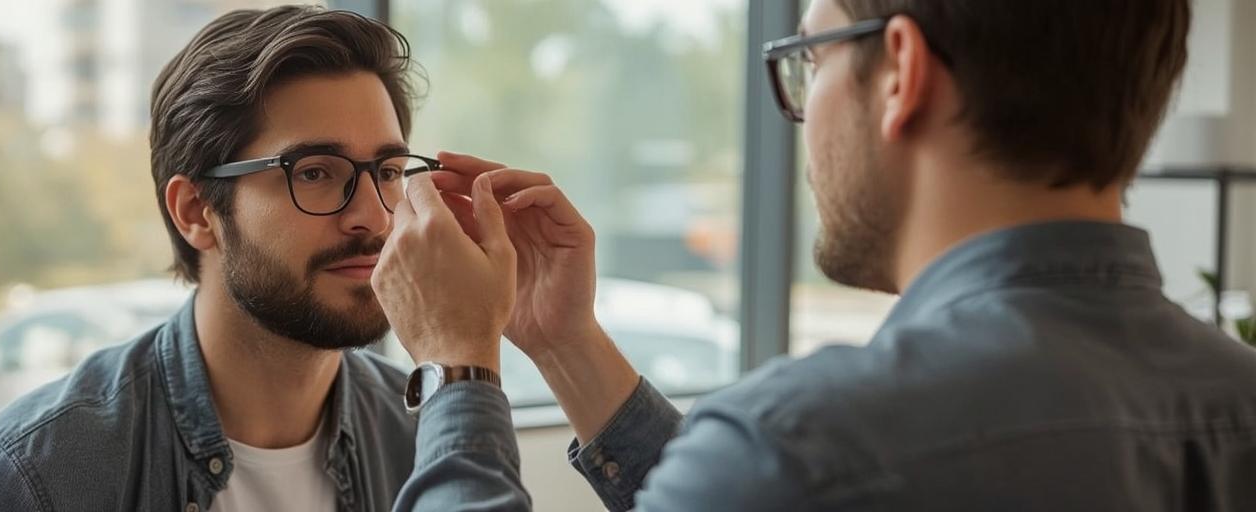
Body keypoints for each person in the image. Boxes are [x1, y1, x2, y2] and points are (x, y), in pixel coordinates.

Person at [373, 0, 1256, 510]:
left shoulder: (799, 450)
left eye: (808, 58)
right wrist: (565, 343)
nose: (799, 116)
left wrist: (458, 371)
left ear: (900, 72)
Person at [0, 6, 433, 511]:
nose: (375, 216)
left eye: (388, 172)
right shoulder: (32, 477)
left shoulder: (426, 436)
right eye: (315, 173)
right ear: (196, 211)